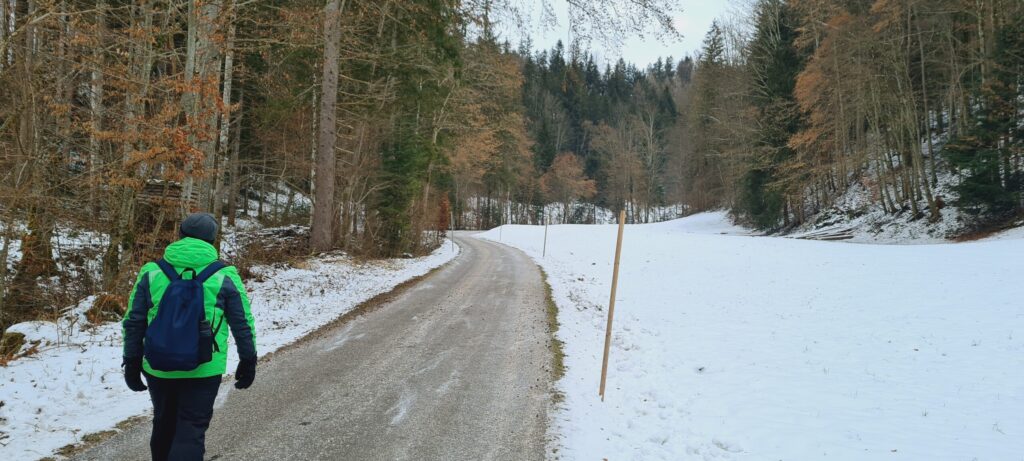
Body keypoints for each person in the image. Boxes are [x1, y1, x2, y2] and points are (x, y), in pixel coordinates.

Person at [121, 212, 257, 461]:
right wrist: (248, 359)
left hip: (158, 365)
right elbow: (242, 322)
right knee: (191, 430)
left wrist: (131, 360)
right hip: (205, 367)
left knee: (163, 424)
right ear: (212, 241)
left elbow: (133, 321)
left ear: (180, 235)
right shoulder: (225, 274)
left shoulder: (152, 271)